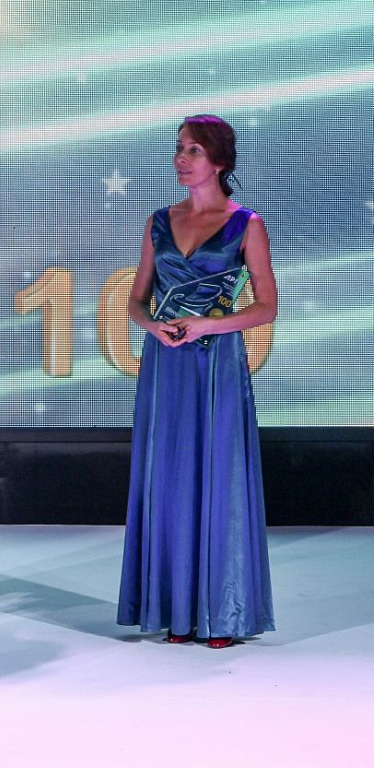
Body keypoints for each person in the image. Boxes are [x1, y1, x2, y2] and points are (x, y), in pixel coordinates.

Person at [117, 115, 277, 648]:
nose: (181, 159)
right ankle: (176, 612)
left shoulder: (246, 224)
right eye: (179, 149)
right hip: (166, 363)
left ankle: (222, 613)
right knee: (168, 478)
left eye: (194, 151)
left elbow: (266, 307)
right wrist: (151, 326)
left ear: (220, 161)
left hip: (216, 364)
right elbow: (136, 299)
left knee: (218, 475)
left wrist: (210, 325)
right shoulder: (160, 221)